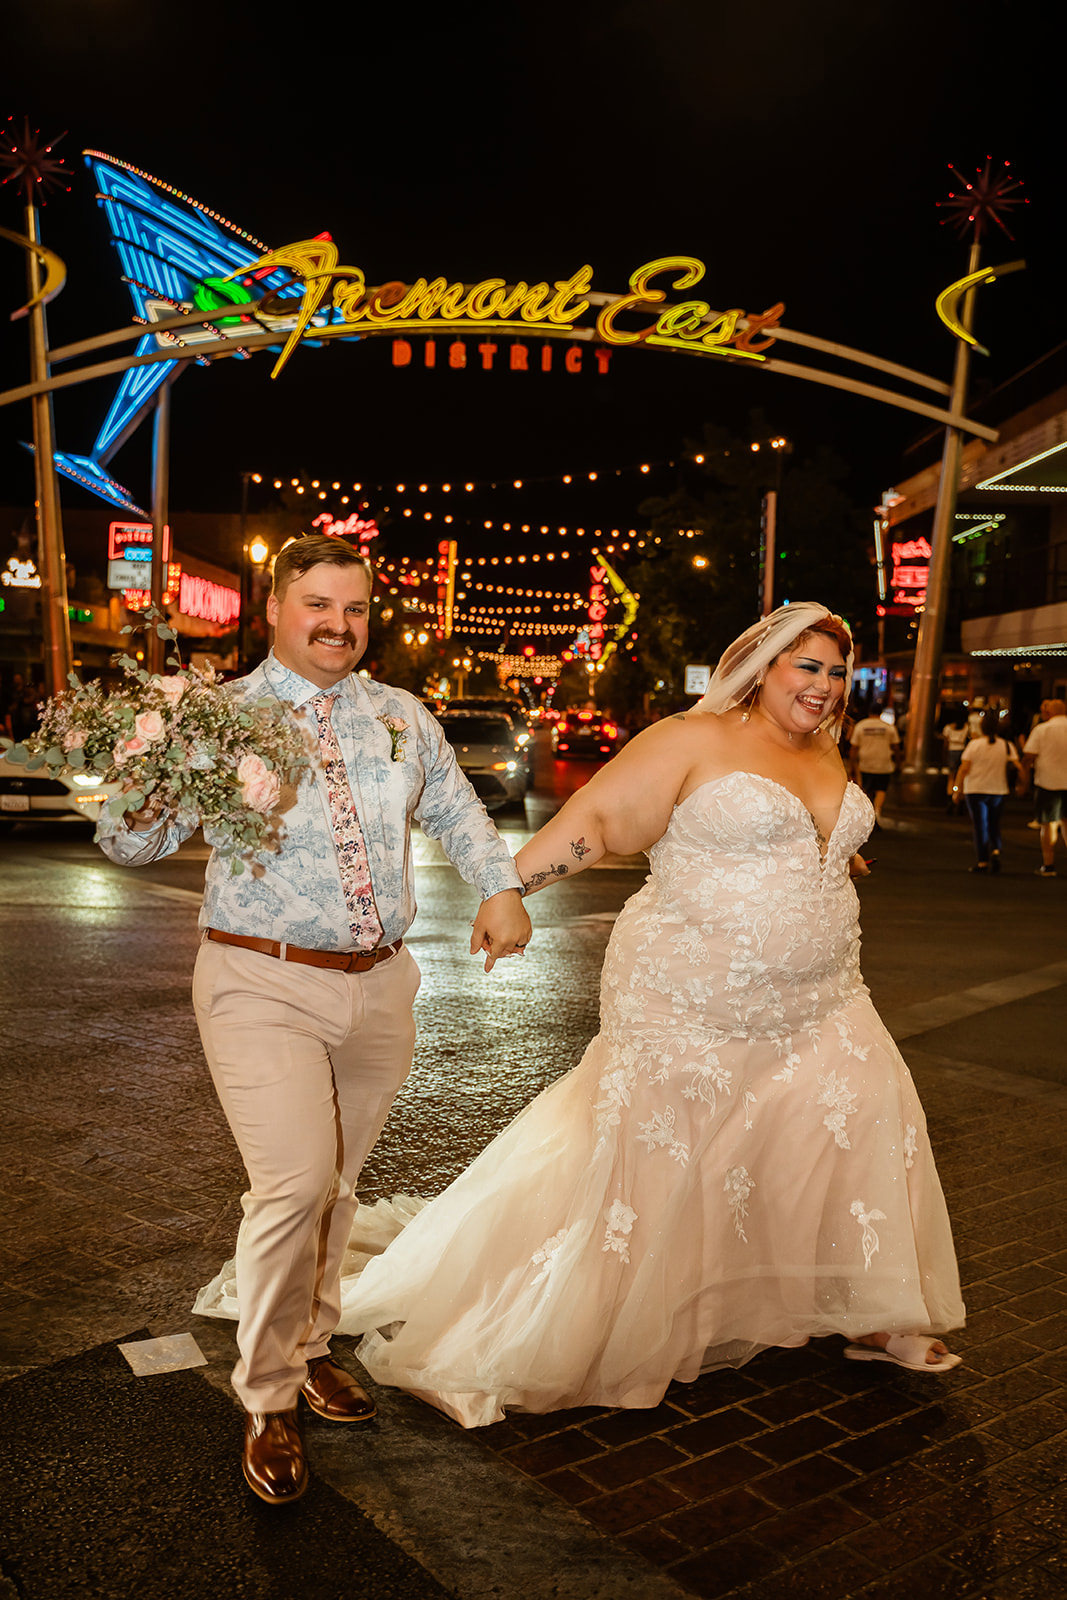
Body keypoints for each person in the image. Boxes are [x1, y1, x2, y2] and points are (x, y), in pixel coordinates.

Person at [196, 601, 966, 1427]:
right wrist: (505, 888)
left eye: (835, 672)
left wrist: (825, 849)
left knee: (852, 1123)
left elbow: (808, 834)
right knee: (670, 1151)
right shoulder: (688, 738)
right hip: (689, 994)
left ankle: (874, 1307)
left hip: (824, 994)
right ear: (760, 666)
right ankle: (621, 1312)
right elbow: (595, 823)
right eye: (804, 667)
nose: (821, 687)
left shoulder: (825, 747)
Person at [99, 534, 530, 1504]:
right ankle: (267, 1397)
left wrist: (499, 886)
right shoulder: (222, 716)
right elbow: (132, 840)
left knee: (334, 1183)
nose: (339, 626)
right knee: (291, 1183)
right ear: (274, 610)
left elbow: (458, 810)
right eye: (317, 606)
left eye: (355, 610)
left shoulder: (398, 716)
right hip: (259, 981)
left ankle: (309, 1340)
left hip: (378, 985)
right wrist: (159, 765)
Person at [954, 708, 1020, 873]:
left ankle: (982, 861)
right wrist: (1022, 784)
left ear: (982, 727)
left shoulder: (974, 745)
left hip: (975, 789)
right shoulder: (1006, 745)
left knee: (980, 825)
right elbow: (1018, 766)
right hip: (998, 790)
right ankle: (996, 850)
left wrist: (957, 789)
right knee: (994, 824)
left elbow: (964, 769)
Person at [1021, 697, 1067, 877]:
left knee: (1048, 824)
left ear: (1049, 712)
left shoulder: (1042, 729)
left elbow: (1029, 756)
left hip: (1048, 782)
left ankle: (1048, 865)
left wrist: (1023, 779)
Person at [848, 701, 900, 828]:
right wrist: (898, 762)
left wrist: (852, 764)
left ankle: (868, 814)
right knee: (881, 789)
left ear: (869, 712)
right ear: (881, 713)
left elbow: (854, 747)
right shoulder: (888, 727)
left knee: (867, 789)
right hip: (884, 762)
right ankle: (877, 811)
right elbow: (896, 746)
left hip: (866, 762)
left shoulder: (861, 726)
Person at [941, 710, 969, 815]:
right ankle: (959, 800)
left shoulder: (948, 728)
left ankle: (950, 799)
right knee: (960, 777)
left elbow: (945, 743)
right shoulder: (966, 727)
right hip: (962, 751)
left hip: (951, 751)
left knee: (951, 777)